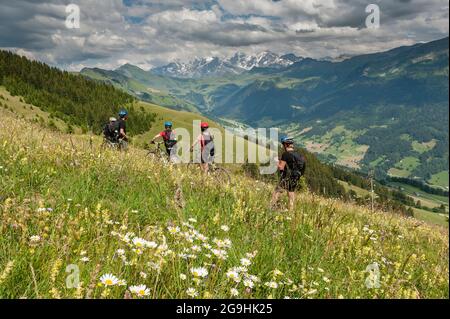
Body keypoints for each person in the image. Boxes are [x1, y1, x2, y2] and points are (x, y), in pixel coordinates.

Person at [270, 137, 306, 212]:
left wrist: (275, 161)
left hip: (289, 176)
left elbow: (281, 167)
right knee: (291, 191)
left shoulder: (285, 154)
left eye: (283, 145)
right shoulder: (298, 154)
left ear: (285, 145)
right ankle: (291, 210)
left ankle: (272, 206)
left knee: (277, 190)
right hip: (297, 176)